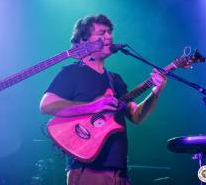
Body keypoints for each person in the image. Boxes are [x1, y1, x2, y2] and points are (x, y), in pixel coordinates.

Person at [39, 14, 167, 185]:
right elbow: (46, 105)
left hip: (120, 170)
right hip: (87, 169)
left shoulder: (115, 79)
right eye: (101, 33)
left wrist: (156, 91)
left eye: (109, 32)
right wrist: (93, 106)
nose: (109, 37)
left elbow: (136, 116)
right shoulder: (71, 73)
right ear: (84, 41)